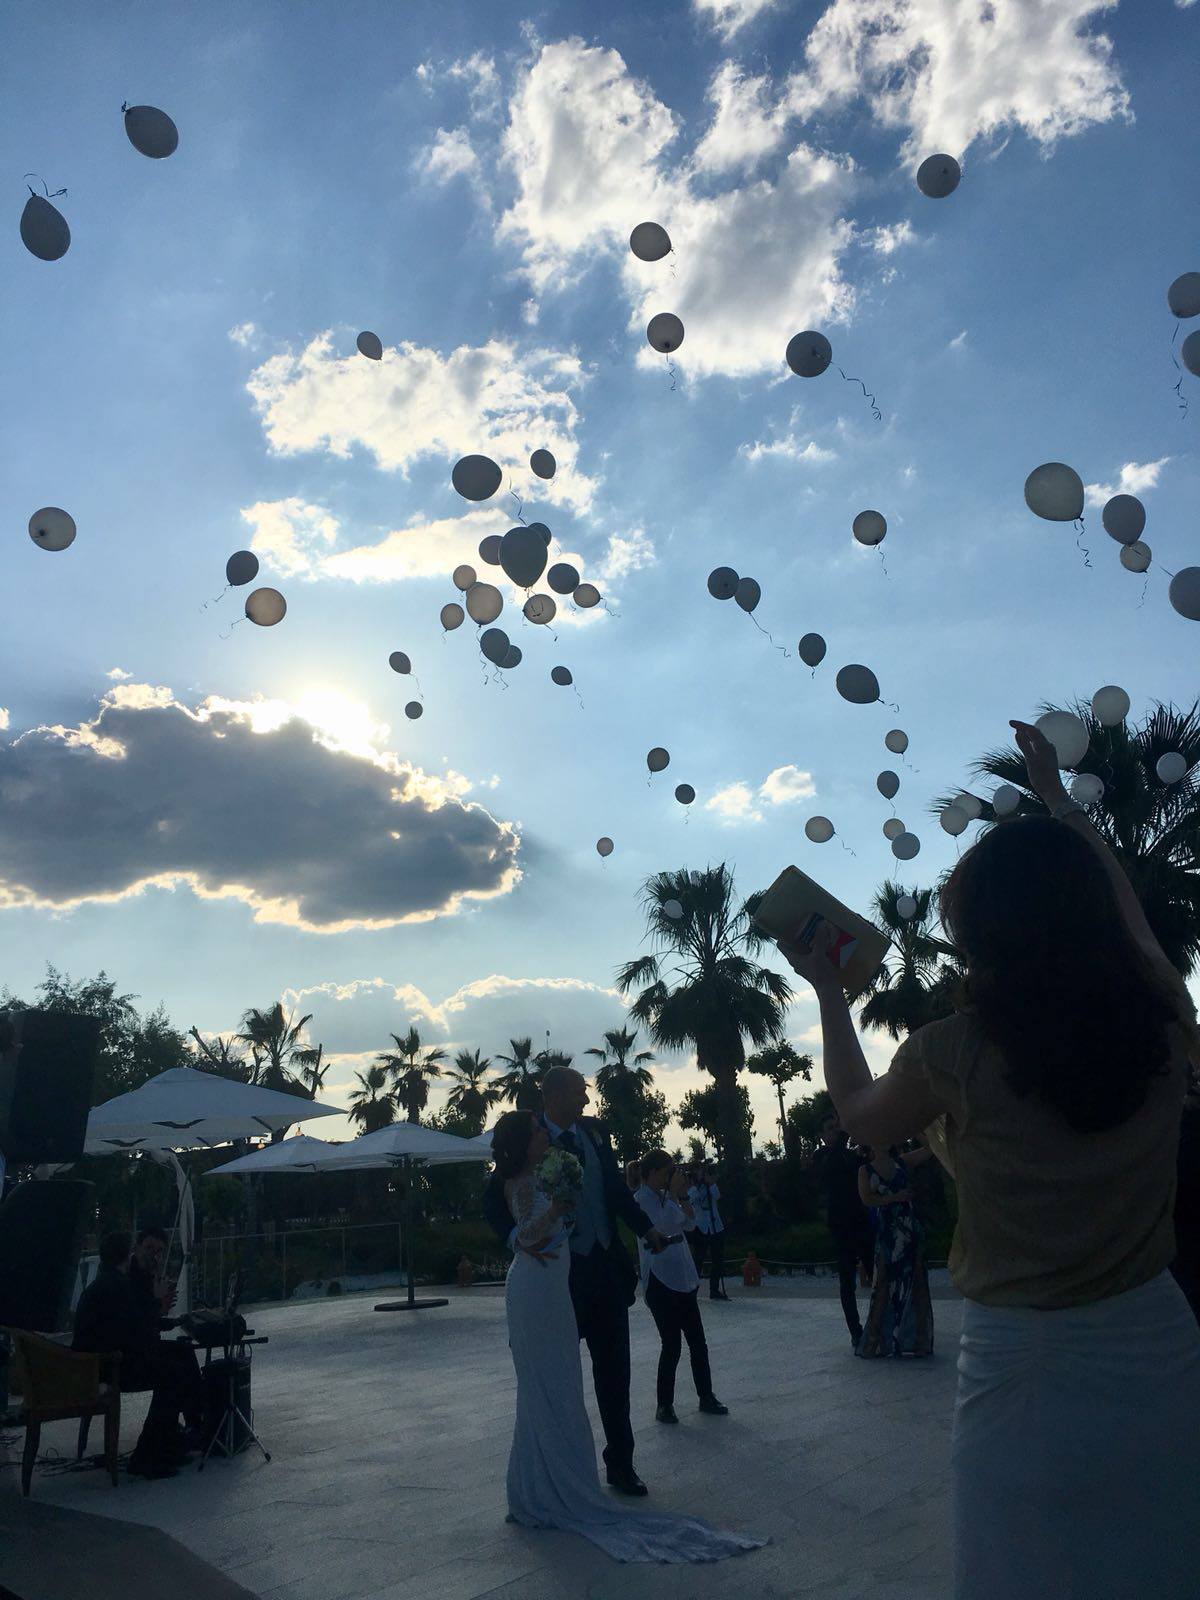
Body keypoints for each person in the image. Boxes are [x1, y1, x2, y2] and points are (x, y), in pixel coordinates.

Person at [778, 718, 1200, 1600]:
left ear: (981, 936)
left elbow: (859, 1118)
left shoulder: (953, 1053)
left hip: (1021, 1369)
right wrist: (1057, 810)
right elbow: (1121, 910)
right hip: (1158, 1350)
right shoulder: (1164, 1016)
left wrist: (827, 992)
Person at [493, 1109, 765, 1562]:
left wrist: (633, 1227)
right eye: (538, 1130)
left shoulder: (589, 1140)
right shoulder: (518, 1179)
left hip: (587, 1278)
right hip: (539, 1288)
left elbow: (615, 1196)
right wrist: (552, 1215)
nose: (545, 1131)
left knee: (594, 1374)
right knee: (546, 1383)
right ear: (526, 1139)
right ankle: (542, 1487)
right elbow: (522, 1234)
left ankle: (615, 1465)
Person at [483, 1065, 667, 1497]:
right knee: (561, 1377)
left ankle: (621, 1464)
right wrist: (515, 1238)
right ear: (555, 1097)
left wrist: (646, 1229)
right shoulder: (527, 1140)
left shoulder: (597, 1133)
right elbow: (493, 1198)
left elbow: (616, 1193)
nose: (587, 1100)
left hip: (604, 1269)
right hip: (555, 1281)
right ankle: (564, 1467)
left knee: (615, 1372)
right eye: (580, 1093)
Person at [72, 1231, 203, 1478]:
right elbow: (138, 1331)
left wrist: (159, 1314)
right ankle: (147, 1455)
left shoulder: (107, 1282)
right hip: (110, 1366)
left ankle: (184, 1434)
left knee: (181, 1353)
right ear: (130, 1251)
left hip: (105, 1360)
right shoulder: (119, 1285)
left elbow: (133, 1327)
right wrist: (158, 1305)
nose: (153, 1255)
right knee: (172, 1374)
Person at [634, 1150, 729, 1424]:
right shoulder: (641, 1200)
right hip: (660, 1280)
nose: (671, 1176)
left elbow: (689, 1223)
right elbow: (661, 1226)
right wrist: (675, 1196)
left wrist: (683, 1196)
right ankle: (664, 1404)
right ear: (652, 1172)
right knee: (671, 1344)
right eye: (667, 1171)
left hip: (684, 1277)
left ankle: (706, 1395)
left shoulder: (669, 1198)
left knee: (698, 1341)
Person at [854, 1141, 936, 1357]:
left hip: (909, 1229)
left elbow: (928, 1151)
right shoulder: (865, 1170)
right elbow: (867, 1199)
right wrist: (893, 1197)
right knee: (882, 1284)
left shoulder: (901, 1161)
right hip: (888, 1232)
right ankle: (874, 1340)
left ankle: (919, 1339)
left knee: (917, 1282)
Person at [811, 1111, 874, 1350]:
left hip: (861, 1220)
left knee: (875, 1273)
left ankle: (882, 1322)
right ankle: (856, 1331)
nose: (835, 1131)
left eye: (836, 1127)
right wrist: (845, 1132)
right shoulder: (822, 1157)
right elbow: (828, 1172)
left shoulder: (850, 1155)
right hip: (841, 1226)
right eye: (830, 1128)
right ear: (821, 1135)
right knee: (847, 1282)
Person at [686, 1163, 728, 1300]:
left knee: (718, 1260)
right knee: (698, 1261)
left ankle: (714, 1290)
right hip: (701, 1227)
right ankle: (693, 1290)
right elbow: (691, 1199)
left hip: (715, 1226)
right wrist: (697, 1185)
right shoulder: (692, 1189)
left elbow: (717, 1196)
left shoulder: (711, 1186)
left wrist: (711, 1183)